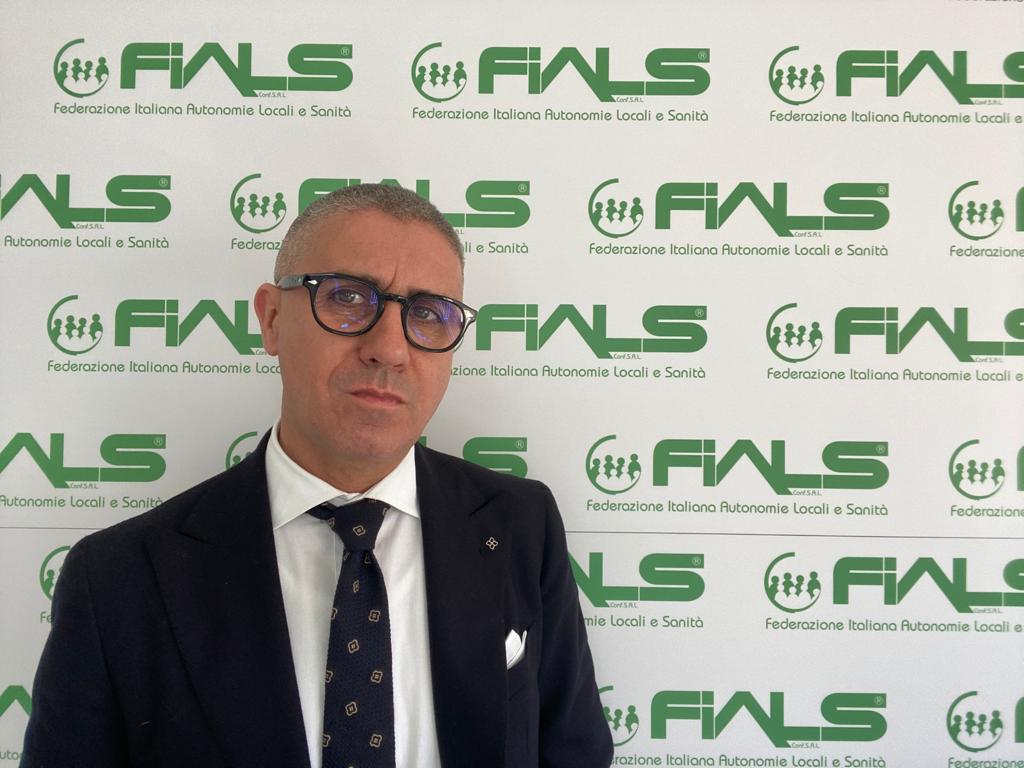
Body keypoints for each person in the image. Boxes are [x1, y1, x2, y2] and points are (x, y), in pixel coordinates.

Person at [20, 183, 612, 768]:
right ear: (272, 319)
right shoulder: (118, 577)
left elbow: (575, 752)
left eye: (429, 314)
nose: (389, 349)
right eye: (348, 297)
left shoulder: (521, 525)